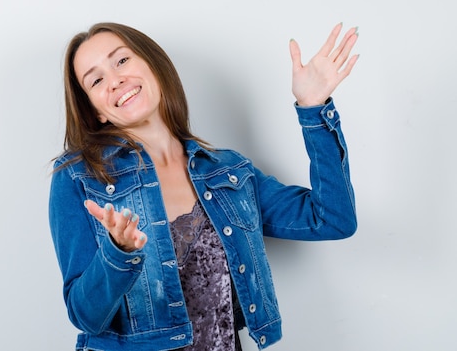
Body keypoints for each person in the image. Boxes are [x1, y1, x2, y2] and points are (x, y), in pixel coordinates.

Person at [49, 22, 359, 351]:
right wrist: (118, 252)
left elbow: (332, 219)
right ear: (95, 111)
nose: (115, 81)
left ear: (153, 65)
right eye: (96, 80)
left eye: (122, 61)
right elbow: (86, 317)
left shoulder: (227, 172)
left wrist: (314, 110)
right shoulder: (79, 178)